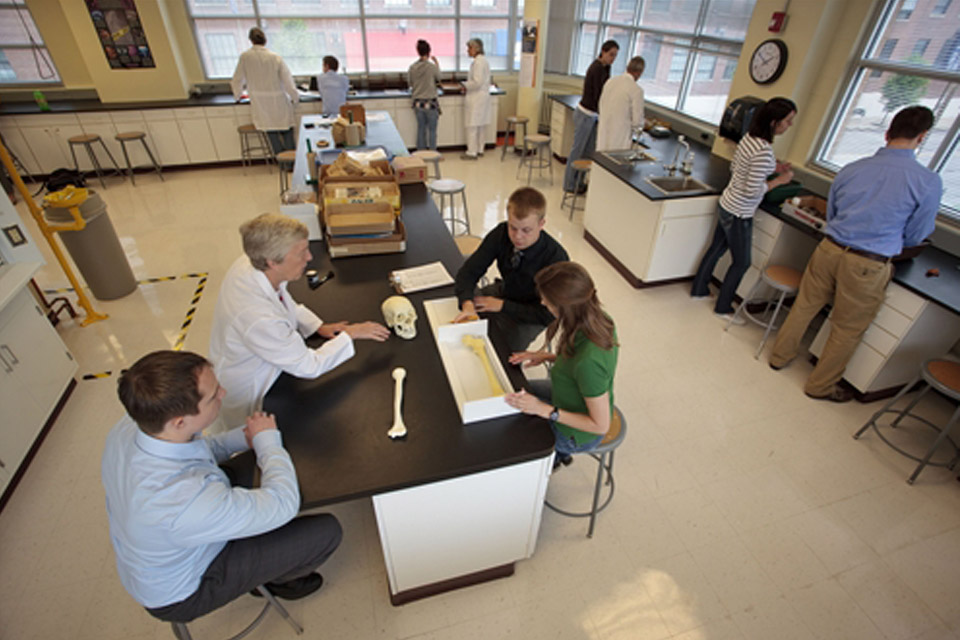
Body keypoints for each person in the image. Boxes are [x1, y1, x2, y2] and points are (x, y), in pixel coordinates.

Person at [102, 350, 343, 623]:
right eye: (214, 395)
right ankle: (278, 581)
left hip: (179, 534)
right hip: (188, 588)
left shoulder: (135, 426)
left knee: (263, 463)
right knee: (326, 532)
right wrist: (269, 445)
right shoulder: (180, 503)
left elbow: (195, 449)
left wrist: (246, 438)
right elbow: (283, 505)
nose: (223, 393)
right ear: (179, 421)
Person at [769, 105, 941, 402]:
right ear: (922, 137)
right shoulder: (927, 181)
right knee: (847, 328)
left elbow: (834, 211)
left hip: (829, 249)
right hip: (868, 262)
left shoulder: (852, 168)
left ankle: (779, 357)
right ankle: (820, 386)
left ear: (887, 133)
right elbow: (916, 233)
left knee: (804, 306)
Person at [210, 213, 390, 430]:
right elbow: (308, 366)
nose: (310, 257)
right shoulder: (258, 317)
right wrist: (351, 334)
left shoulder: (254, 263)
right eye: (301, 252)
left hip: (260, 353)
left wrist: (317, 326)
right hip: (250, 384)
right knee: (249, 436)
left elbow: (282, 301)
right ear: (273, 262)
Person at [690, 97, 797, 321]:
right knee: (742, 263)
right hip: (740, 213)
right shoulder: (763, 151)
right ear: (774, 122)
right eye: (788, 121)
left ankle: (699, 290)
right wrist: (780, 180)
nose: (790, 126)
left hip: (727, 203)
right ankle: (723, 307)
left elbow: (739, 166)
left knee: (716, 249)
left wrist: (774, 167)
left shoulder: (749, 138)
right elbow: (752, 190)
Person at [504, 262, 618, 467]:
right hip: (567, 394)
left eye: (547, 302)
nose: (542, 302)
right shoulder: (600, 319)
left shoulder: (589, 362)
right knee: (515, 395)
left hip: (577, 433)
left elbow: (600, 425)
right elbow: (578, 363)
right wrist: (547, 356)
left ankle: (552, 459)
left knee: (513, 428)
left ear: (565, 308)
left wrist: (544, 410)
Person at [453, 187, 569, 352]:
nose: (517, 236)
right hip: (507, 291)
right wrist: (467, 305)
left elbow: (548, 314)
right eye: (513, 227)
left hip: (533, 311)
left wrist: (503, 306)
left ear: (541, 224)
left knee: (504, 351)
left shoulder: (556, 258)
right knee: (462, 310)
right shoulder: (501, 233)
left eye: (526, 230)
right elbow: (468, 272)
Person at [231, 27, 299, 154]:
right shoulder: (275, 57)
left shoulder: (245, 57)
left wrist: (238, 96)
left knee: (271, 134)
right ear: (265, 40)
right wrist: (295, 98)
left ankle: (281, 161)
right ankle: (292, 161)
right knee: (287, 131)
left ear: (251, 40)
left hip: (261, 105)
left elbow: (237, 80)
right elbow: (288, 81)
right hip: (279, 102)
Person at [563, 40, 619, 193]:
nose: (613, 58)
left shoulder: (606, 68)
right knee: (577, 151)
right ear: (603, 51)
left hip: (593, 116)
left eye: (615, 56)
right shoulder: (596, 68)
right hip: (585, 114)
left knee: (587, 153)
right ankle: (569, 184)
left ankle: (579, 183)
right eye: (611, 54)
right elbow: (598, 96)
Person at [596, 56, 645, 152]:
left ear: (627, 67)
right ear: (639, 73)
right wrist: (643, 123)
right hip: (619, 139)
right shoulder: (636, 90)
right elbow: (637, 122)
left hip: (603, 132)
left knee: (601, 159)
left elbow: (601, 104)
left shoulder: (610, 81)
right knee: (614, 160)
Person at [461, 38, 492, 160]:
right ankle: (480, 149)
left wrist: (464, 85)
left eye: (469, 48)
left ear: (476, 49)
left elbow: (477, 82)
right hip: (482, 97)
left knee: (472, 126)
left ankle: (471, 152)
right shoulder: (483, 61)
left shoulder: (478, 63)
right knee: (480, 125)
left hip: (477, 97)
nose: (468, 51)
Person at [409, 39, 442, 151]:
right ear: (429, 51)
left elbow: (410, 83)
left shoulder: (412, 67)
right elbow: (439, 78)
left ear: (418, 51)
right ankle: (433, 153)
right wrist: (437, 63)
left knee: (421, 128)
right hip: (430, 103)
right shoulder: (432, 67)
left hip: (418, 103)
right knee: (432, 130)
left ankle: (420, 153)